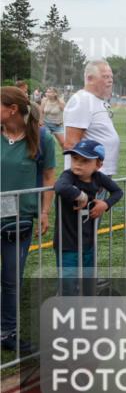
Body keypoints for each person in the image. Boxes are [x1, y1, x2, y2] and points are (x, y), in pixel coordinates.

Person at [1, 87, 56, 352]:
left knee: (11, 279)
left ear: (12, 110)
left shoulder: (42, 137)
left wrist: (44, 212)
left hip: (18, 222)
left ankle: (7, 333)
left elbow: (48, 177)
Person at [54, 139, 123, 294]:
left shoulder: (98, 177)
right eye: (75, 158)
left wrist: (105, 204)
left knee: (88, 285)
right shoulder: (69, 176)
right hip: (67, 244)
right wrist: (81, 195)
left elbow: (118, 191)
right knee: (68, 287)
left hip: (88, 243)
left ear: (98, 165)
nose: (78, 164)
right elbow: (59, 186)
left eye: (85, 160)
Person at [63, 60, 120, 177]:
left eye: (111, 77)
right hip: (89, 177)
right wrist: (86, 178)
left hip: (99, 174)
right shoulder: (82, 100)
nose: (110, 80)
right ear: (90, 79)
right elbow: (71, 143)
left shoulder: (98, 100)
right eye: (105, 77)